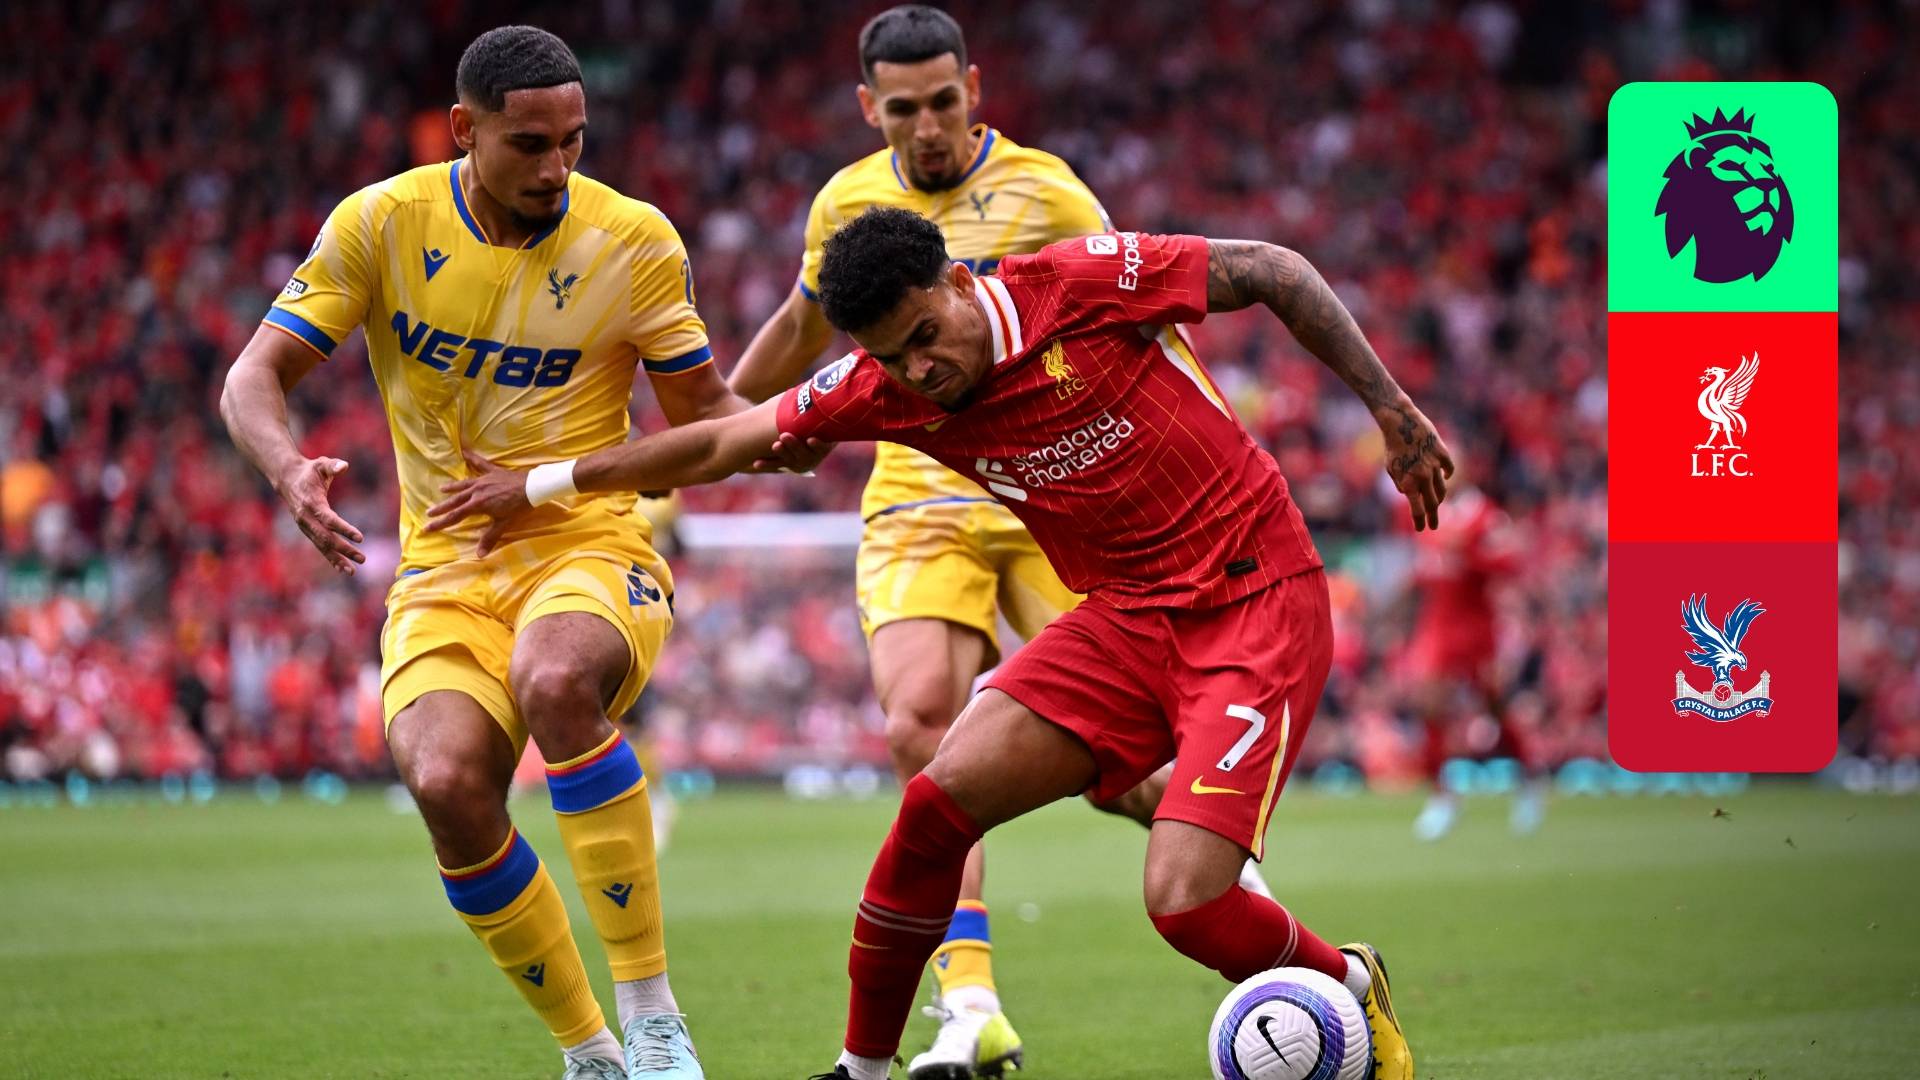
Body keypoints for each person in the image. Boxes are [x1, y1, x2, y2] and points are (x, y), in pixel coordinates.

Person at [426, 207, 1450, 1080]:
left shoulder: (1077, 284)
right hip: (1126, 619)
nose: (918, 369)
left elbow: (1272, 269)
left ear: (961, 282)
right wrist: (542, 484)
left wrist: (1393, 410)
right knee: (932, 807)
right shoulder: (887, 389)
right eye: (889, 356)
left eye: (925, 335)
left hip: (1254, 599)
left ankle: (1348, 980)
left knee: (1185, 906)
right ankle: (860, 1070)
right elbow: (722, 440)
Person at [217, 25, 795, 1080]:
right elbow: (251, 378)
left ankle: (653, 1017)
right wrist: (287, 469)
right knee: (444, 782)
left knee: (556, 676)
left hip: (588, 542)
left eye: (573, 141)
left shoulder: (633, 240)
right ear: (463, 130)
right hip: (443, 572)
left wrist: (794, 423)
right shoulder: (382, 223)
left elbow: (705, 419)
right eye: (530, 144)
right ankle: (590, 1053)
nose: (556, 167)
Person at [726, 9, 1267, 1072]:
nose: (927, 127)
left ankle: (1250, 908)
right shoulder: (843, 203)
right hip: (919, 496)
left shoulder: (1049, 191)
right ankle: (969, 1003)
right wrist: (718, 422)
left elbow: (1138, 325)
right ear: (868, 107)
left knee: (1127, 766)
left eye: (944, 102)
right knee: (920, 724)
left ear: (974, 89)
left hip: (1048, 498)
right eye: (903, 109)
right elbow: (798, 326)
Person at [1400, 481, 1545, 839]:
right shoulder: (1425, 512)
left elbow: (1510, 563)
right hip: (1439, 627)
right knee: (1430, 707)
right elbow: (1426, 571)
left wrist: (1469, 553)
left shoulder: (1484, 513)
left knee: (1493, 707)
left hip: (1478, 629)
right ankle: (1443, 797)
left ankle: (1529, 779)